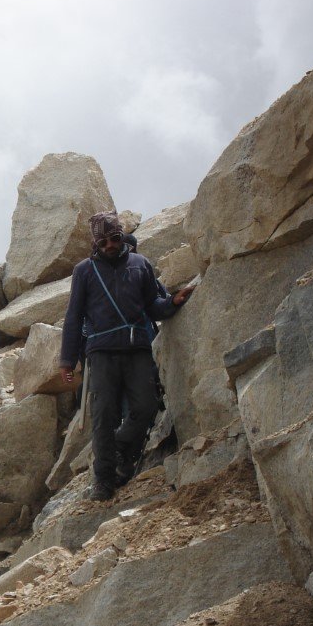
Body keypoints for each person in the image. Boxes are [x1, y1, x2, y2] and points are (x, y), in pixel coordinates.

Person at [59, 211, 193, 501]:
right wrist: (67, 361)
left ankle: (121, 449)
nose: (110, 244)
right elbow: (73, 317)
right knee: (104, 415)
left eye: (115, 238)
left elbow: (152, 306)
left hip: (137, 348)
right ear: (95, 243)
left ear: (122, 236)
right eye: (103, 240)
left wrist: (172, 302)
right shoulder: (84, 271)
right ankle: (104, 481)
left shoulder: (140, 264)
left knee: (146, 406)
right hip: (101, 352)